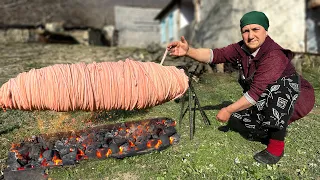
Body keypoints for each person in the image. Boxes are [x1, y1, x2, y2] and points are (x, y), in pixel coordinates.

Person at [167, 11, 315, 164]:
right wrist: (189, 51)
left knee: (280, 90)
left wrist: (228, 109)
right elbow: (214, 55)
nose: (250, 36)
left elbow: (254, 94)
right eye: (246, 31)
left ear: (266, 31)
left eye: (256, 29)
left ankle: (275, 148)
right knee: (239, 121)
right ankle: (272, 126)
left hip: (298, 96)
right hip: (268, 95)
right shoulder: (241, 48)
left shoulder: (273, 55)